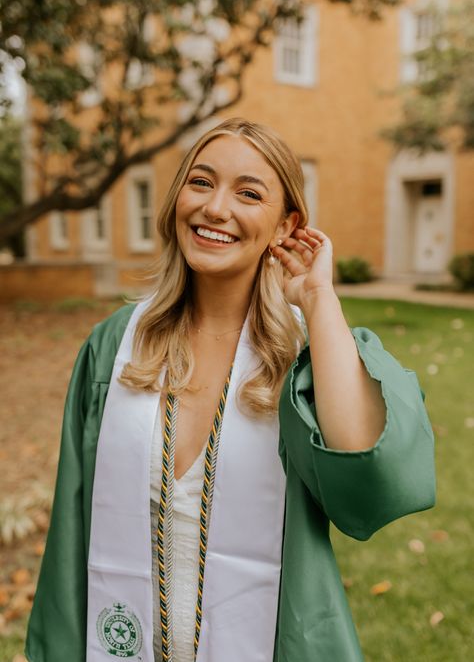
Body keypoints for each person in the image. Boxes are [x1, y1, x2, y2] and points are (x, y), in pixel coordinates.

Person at [25, 117, 436, 662]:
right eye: (200, 182)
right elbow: (73, 529)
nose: (216, 208)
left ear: (286, 224)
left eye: (248, 193)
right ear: (176, 199)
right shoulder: (115, 347)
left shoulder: (307, 353)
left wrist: (318, 299)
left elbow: (371, 472)